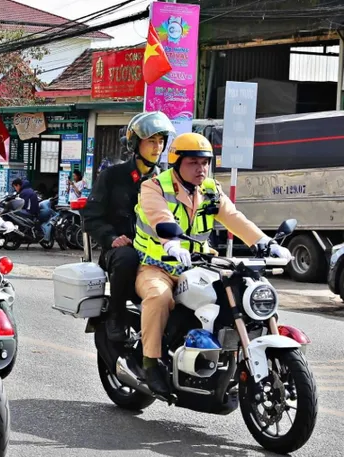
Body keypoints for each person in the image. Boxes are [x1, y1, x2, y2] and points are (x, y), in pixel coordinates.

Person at [132, 133, 291, 394]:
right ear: (177, 162)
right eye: (193, 162)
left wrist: (265, 242)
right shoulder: (155, 187)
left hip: (198, 265)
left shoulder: (210, 190)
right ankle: (151, 363)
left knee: (237, 291)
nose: (201, 169)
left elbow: (234, 218)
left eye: (205, 162)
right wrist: (171, 242)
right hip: (156, 265)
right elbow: (157, 214)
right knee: (159, 297)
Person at [83, 111, 175, 342]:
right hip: (119, 251)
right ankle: (116, 314)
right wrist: (111, 238)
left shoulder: (165, 181)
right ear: (135, 143)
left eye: (161, 141)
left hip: (156, 251)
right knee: (127, 257)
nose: (157, 147)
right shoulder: (112, 176)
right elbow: (91, 217)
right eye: (151, 141)